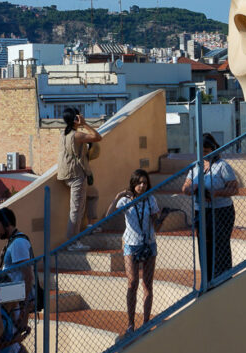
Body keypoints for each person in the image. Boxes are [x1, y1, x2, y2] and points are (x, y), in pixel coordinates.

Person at [105, 169, 172, 337]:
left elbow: (156, 227)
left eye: (145, 182)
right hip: (131, 245)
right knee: (132, 282)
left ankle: (146, 322)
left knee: (147, 284)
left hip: (149, 244)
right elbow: (108, 216)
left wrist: (160, 219)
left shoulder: (151, 200)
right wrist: (118, 196)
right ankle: (130, 323)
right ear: (133, 184)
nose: (142, 186)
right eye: (139, 182)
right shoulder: (125, 201)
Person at [181, 133, 238, 285]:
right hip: (202, 211)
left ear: (213, 149)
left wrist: (217, 193)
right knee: (204, 246)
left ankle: (223, 279)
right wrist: (194, 187)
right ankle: (207, 281)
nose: (204, 154)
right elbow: (184, 188)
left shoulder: (222, 166)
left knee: (220, 245)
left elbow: (234, 189)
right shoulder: (196, 167)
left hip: (221, 212)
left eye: (206, 151)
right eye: (201, 151)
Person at [0, 208, 39, 353]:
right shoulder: (14, 242)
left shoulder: (18, 243)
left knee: (10, 340)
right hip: (11, 300)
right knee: (13, 342)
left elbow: (27, 277)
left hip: (15, 302)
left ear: (6, 224)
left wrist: (24, 312)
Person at [56, 106, 102, 250]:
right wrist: (85, 124)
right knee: (76, 210)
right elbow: (98, 137)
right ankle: (73, 242)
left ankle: (87, 227)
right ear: (75, 118)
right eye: (78, 115)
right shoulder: (77, 135)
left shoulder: (63, 134)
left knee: (84, 202)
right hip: (76, 175)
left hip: (65, 174)